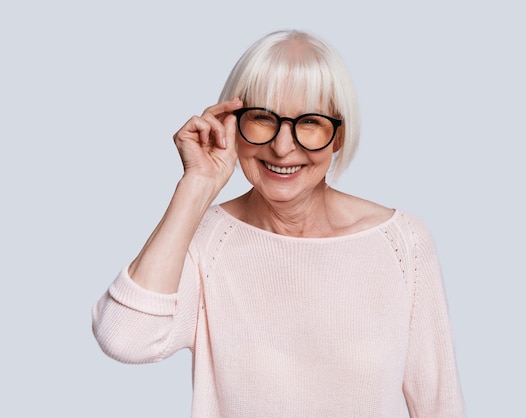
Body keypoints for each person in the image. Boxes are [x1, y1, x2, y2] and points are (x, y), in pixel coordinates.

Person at [92, 29, 466, 417]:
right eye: (261, 119)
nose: (283, 147)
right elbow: (125, 339)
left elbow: (441, 405)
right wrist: (196, 187)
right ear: (232, 125)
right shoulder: (207, 244)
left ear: (338, 135)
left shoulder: (401, 243)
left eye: (310, 122)